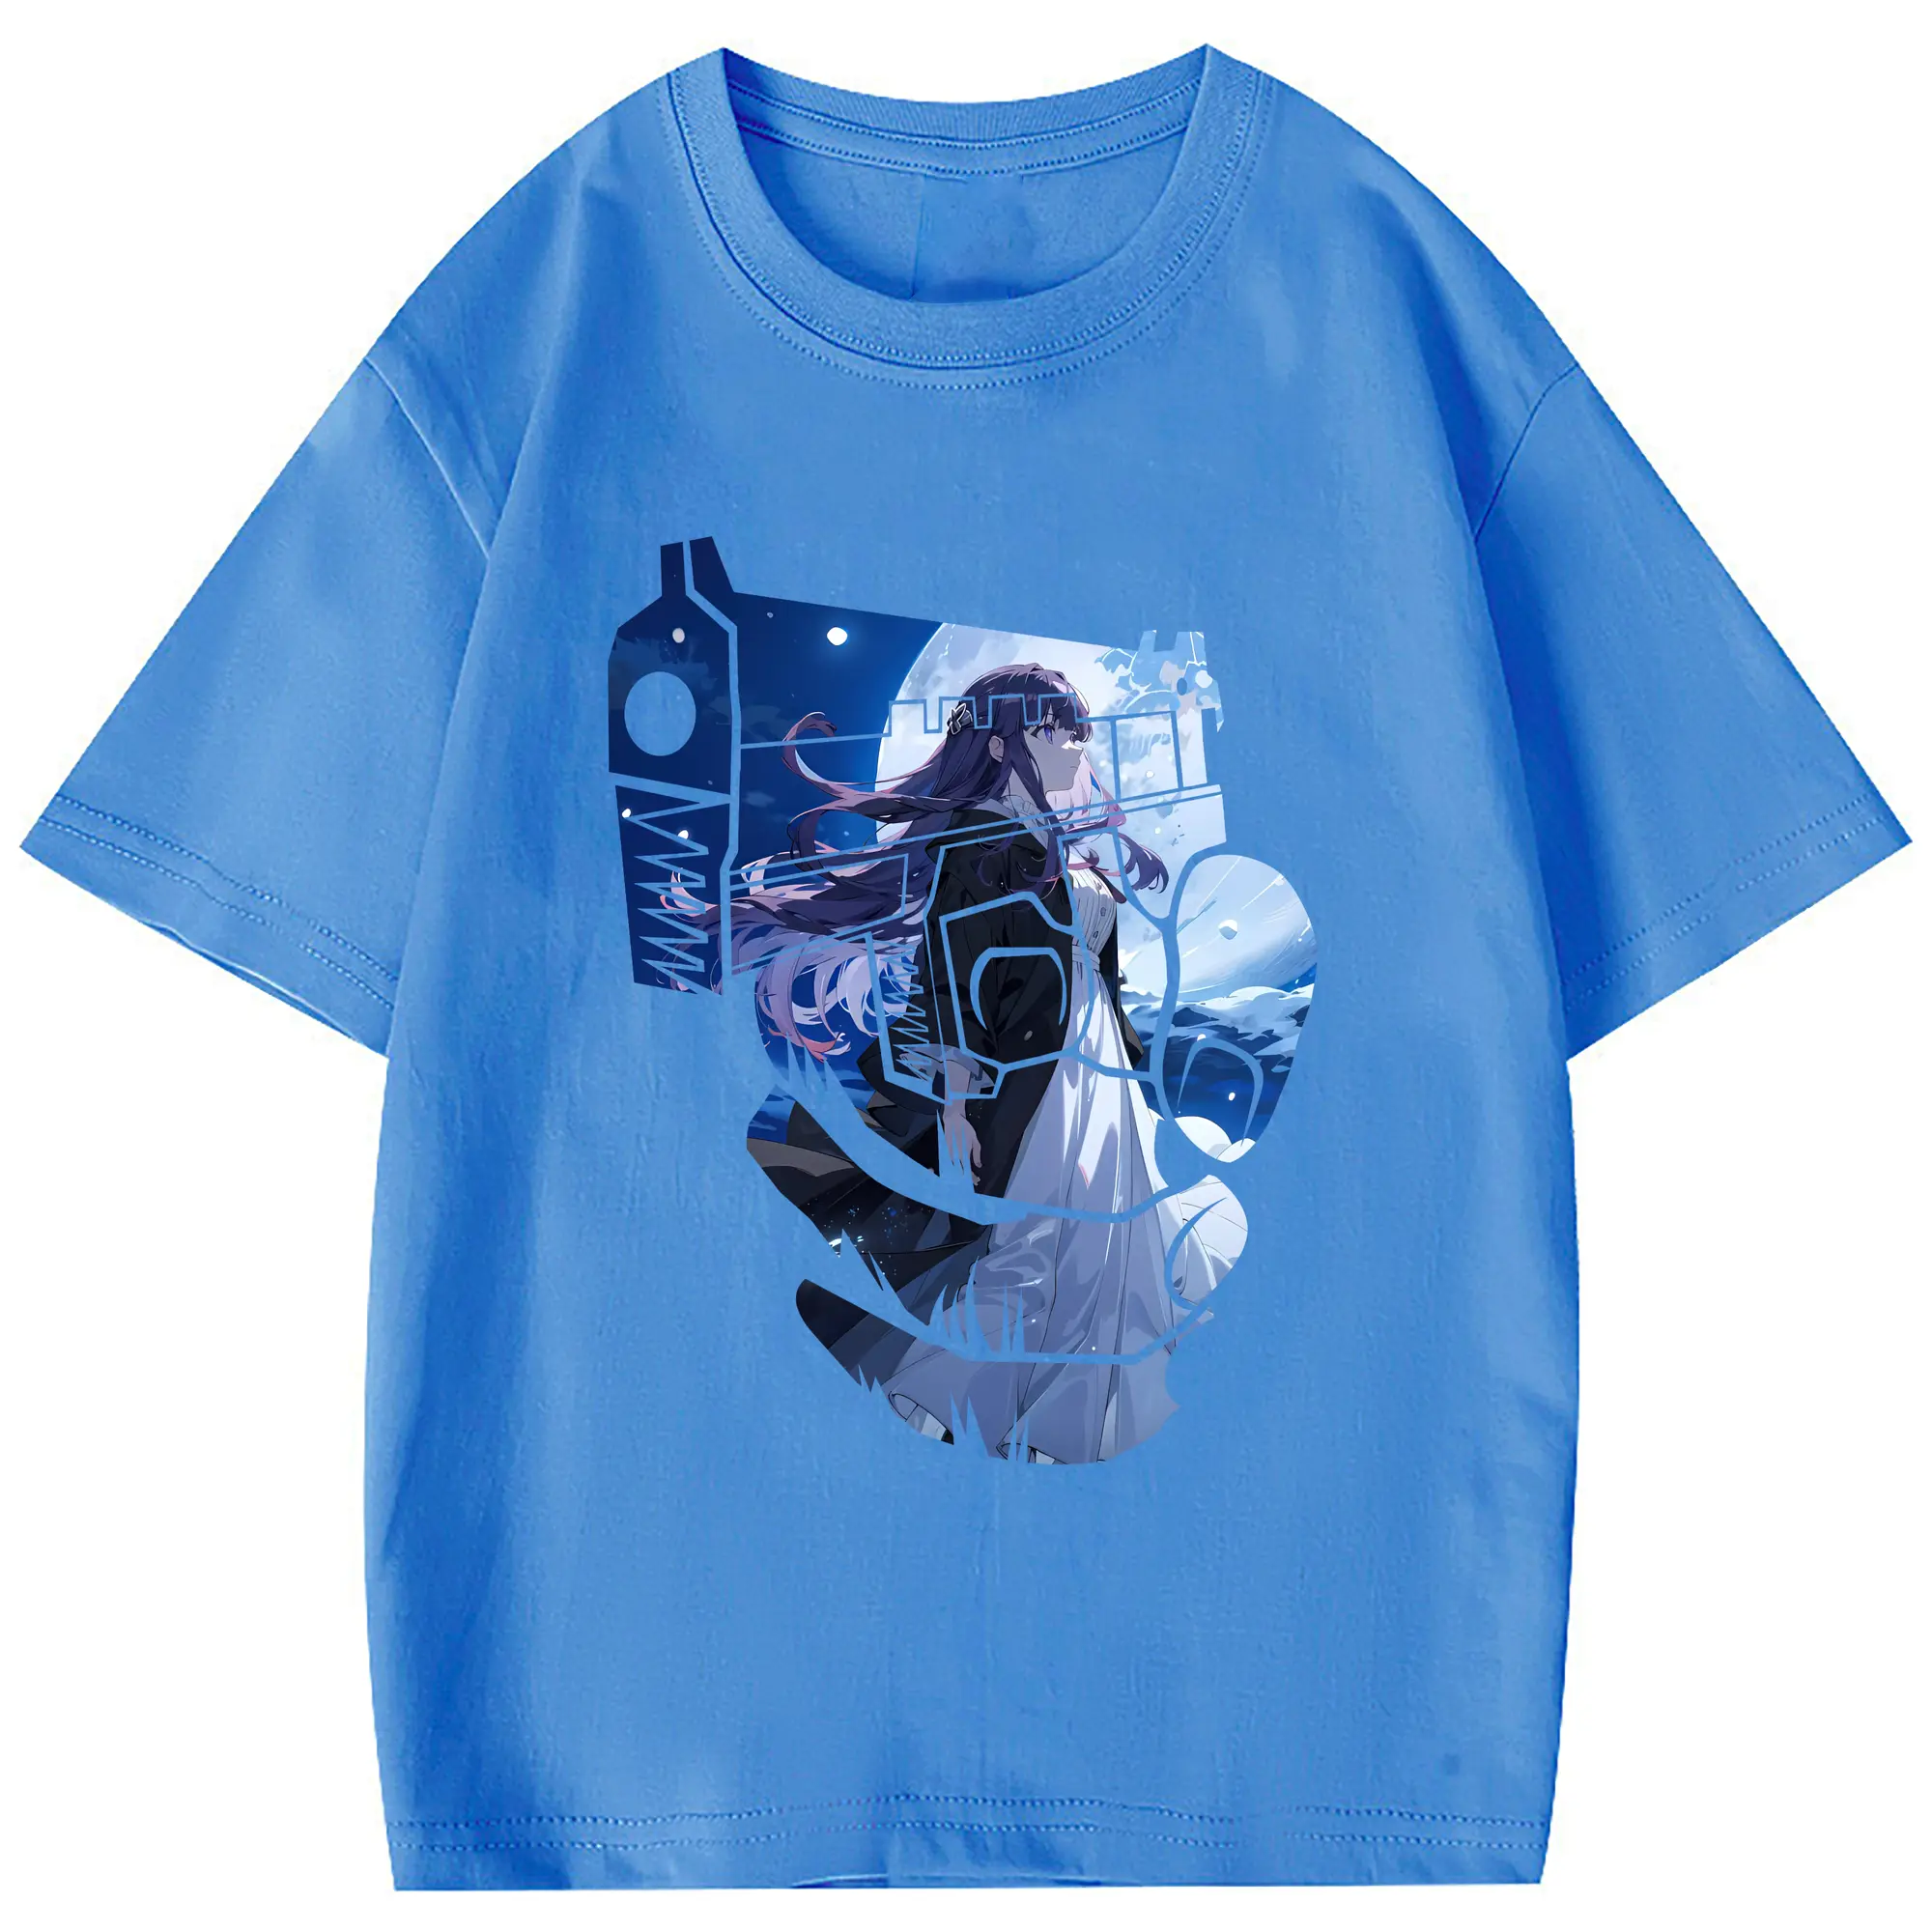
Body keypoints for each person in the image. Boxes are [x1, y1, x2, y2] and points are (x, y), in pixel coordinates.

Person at [734, 664, 1246, 1462]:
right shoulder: (981, 840)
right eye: (1058, 730)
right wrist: (956, 1104)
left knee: (1106, 1242)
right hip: (1044, 1077)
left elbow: (1083, 965)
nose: (1077, 745)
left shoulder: (1041, 837)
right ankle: (953, 1398)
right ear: (1010, 742)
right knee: (1043, 1245)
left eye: (1078, 730)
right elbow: (953, 975)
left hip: (1093, 1067)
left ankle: (1066, 1410)